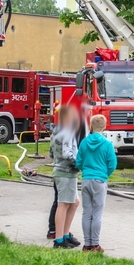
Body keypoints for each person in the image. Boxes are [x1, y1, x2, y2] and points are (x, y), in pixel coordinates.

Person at [75, 114, 118, 252]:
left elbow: (79, 162)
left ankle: (87, 244)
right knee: (98, 213)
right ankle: (95, 244)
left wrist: (85, 171)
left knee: (87, 213)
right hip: (100, 180)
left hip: (86, 179)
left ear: (91, 126)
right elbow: (112, 164)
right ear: (105, 127)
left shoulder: (84, 142)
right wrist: (104, 174)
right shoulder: (107, 144)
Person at [50, 105, 84, 249]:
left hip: (60, 170)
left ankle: (65, 234)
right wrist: (80, 163)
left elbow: (51, 153)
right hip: (66, 172)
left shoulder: (55, 132)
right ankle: (59, 239)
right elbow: (67, 153)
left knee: (74, 202)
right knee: (63, 204)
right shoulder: (68, 132)